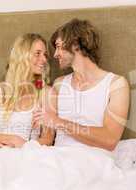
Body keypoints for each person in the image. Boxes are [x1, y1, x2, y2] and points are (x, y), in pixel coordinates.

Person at [33, 18, 130, 151]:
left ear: (76, 45)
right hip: (57, 161)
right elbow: (47, 137)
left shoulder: (116, 85)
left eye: (59, 47)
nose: (55, 55)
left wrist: (59, 122)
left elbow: (110, 139)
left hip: (94, 161)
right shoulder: (59, 84)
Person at [0, 33, 54, 148]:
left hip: (30, 154)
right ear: (22, 56)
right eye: (37, 54)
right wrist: (10, 139)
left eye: (45, 55)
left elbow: (48, 138)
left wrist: (24, 145)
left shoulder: (47, 93)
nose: (44, 59)